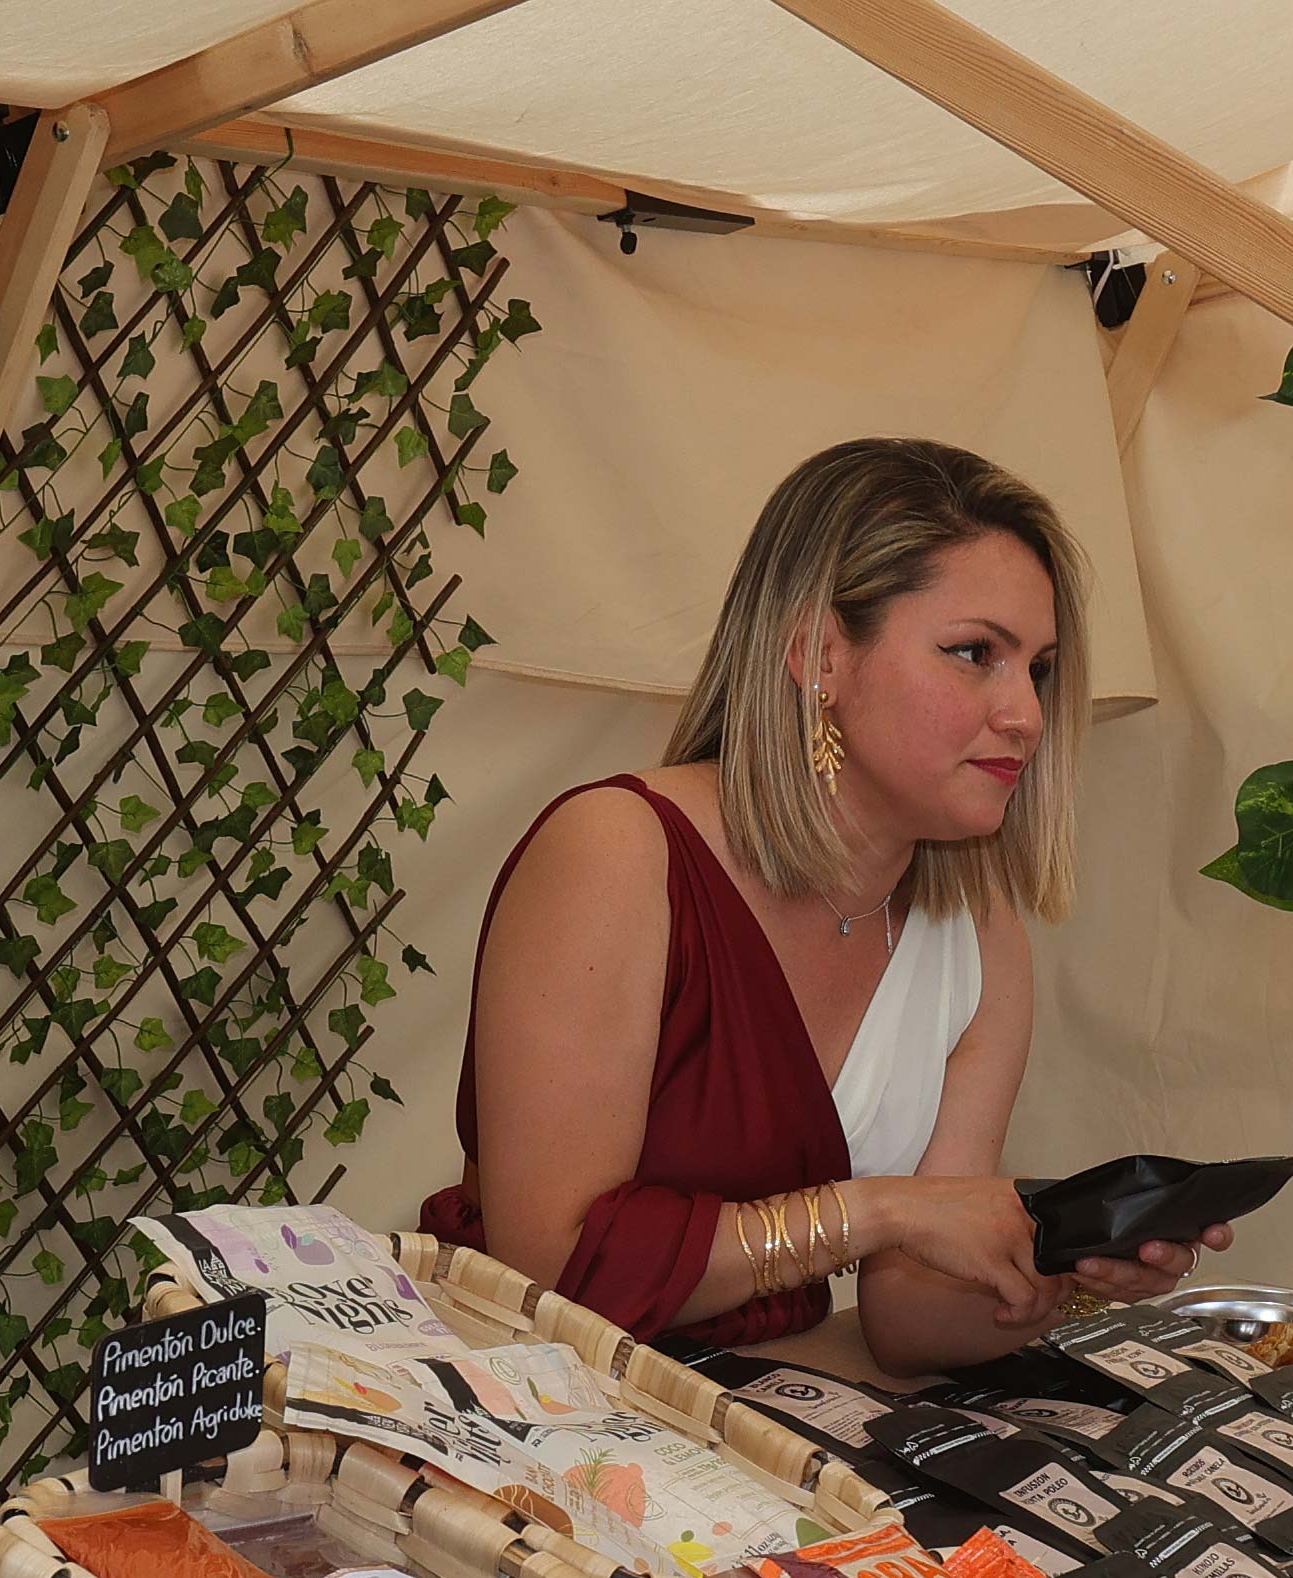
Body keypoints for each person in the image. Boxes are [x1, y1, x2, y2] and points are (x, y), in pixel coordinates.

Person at [422, 439, 1225, 1371]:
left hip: (745, 1418)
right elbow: (553, 1265)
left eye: (1038, 669)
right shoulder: (616, 851)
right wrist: (880, 1211)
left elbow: (909, 1323)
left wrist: (1057, 1267)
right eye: (976, 655)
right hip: (509, 1396)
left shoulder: (981, 929)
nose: (1029, 717)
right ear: (819, 654)